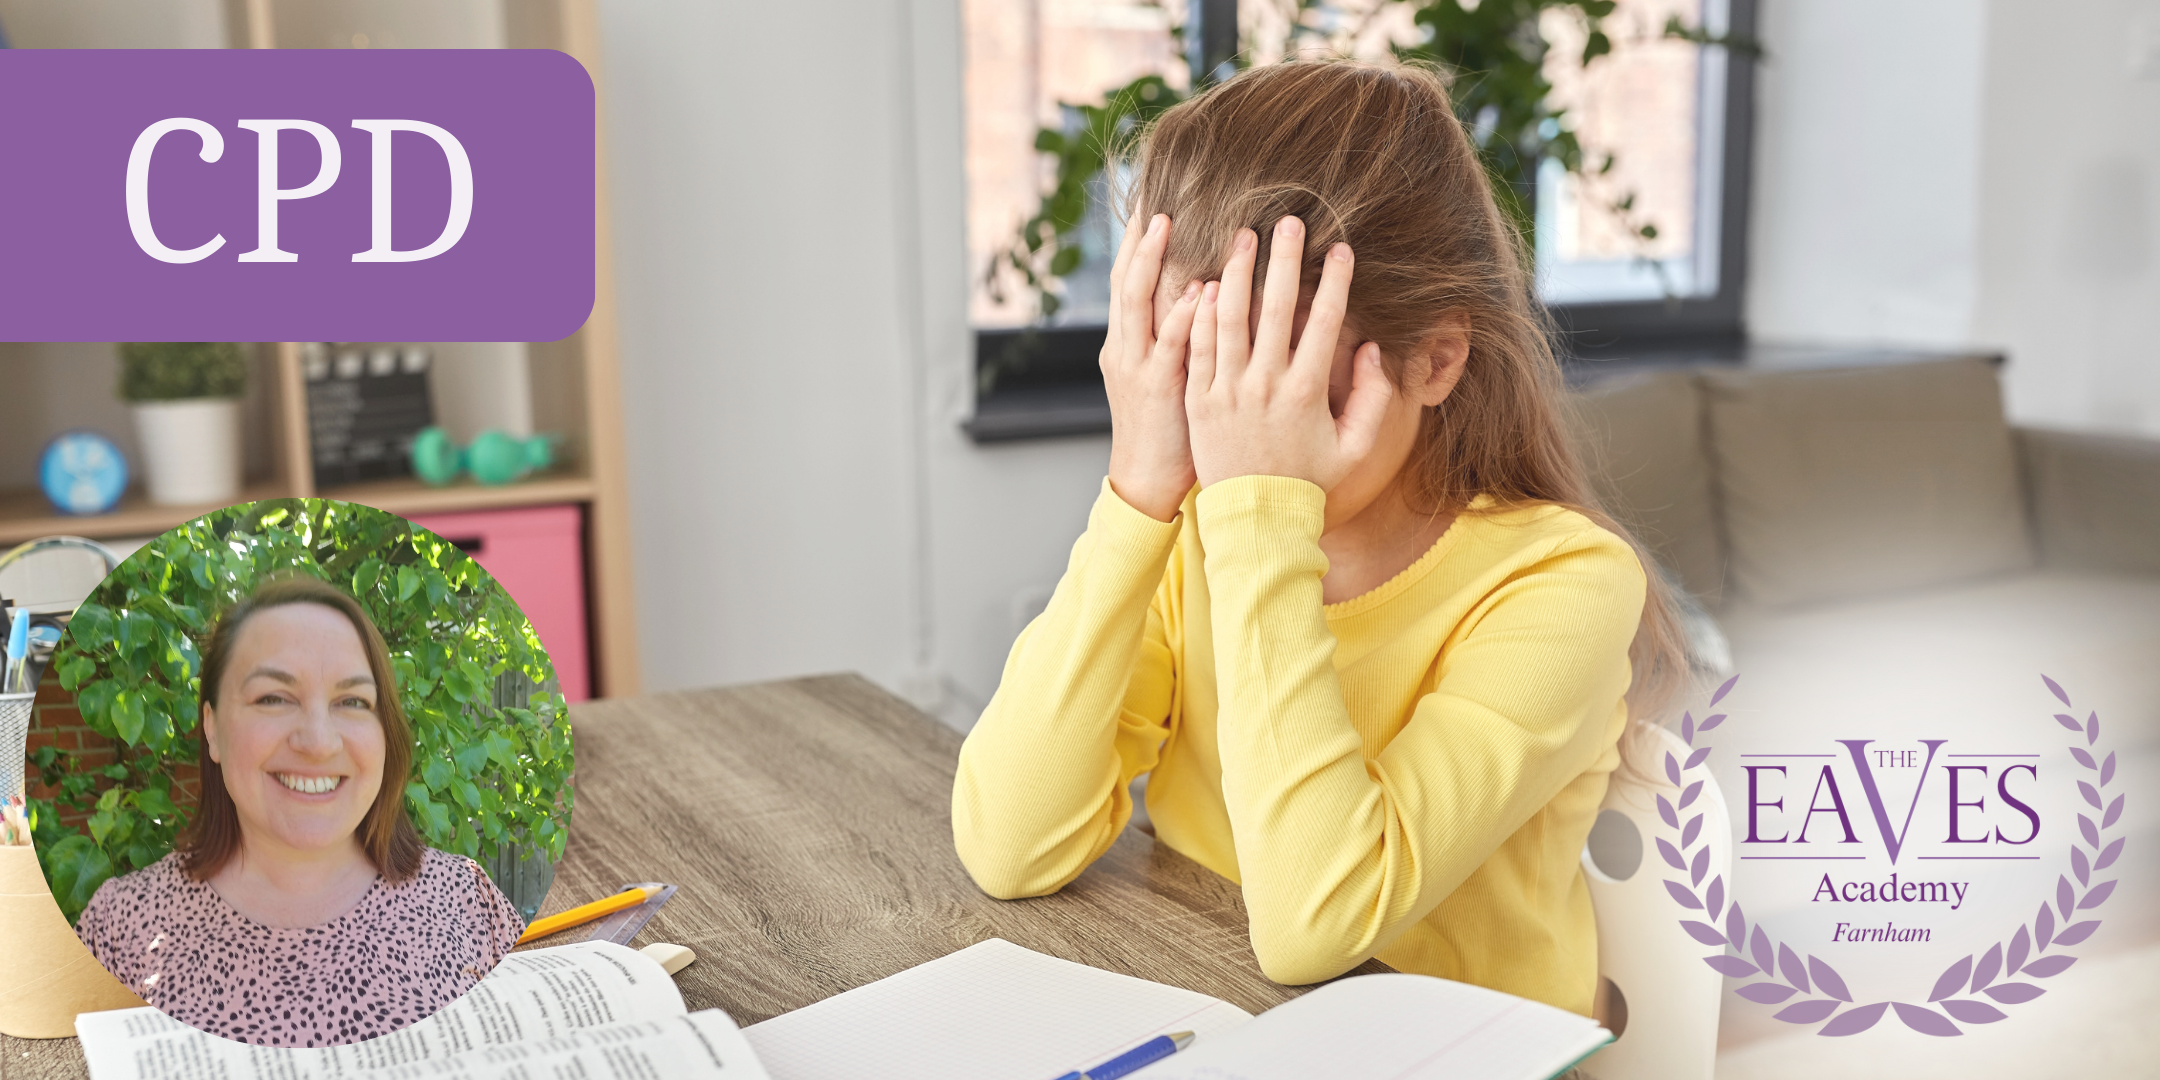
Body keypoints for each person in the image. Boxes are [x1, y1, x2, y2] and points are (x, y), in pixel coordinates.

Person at [951, 59, 1688, 1018]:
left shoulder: (1565, 583)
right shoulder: (1193, 528)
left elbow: (1318, 922)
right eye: (1201, 370)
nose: (1236, 428)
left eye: (1295, 383)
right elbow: (1012, 843)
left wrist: (1261, 515)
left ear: (1436, 361)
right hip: (1224, 1012)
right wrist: (1137, 493)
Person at [76, 575, 525, 1047]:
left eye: (352, 701)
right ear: (212, 729)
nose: (318, 742)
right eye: (273, 698)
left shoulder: (467, 902)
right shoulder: (119, 926)